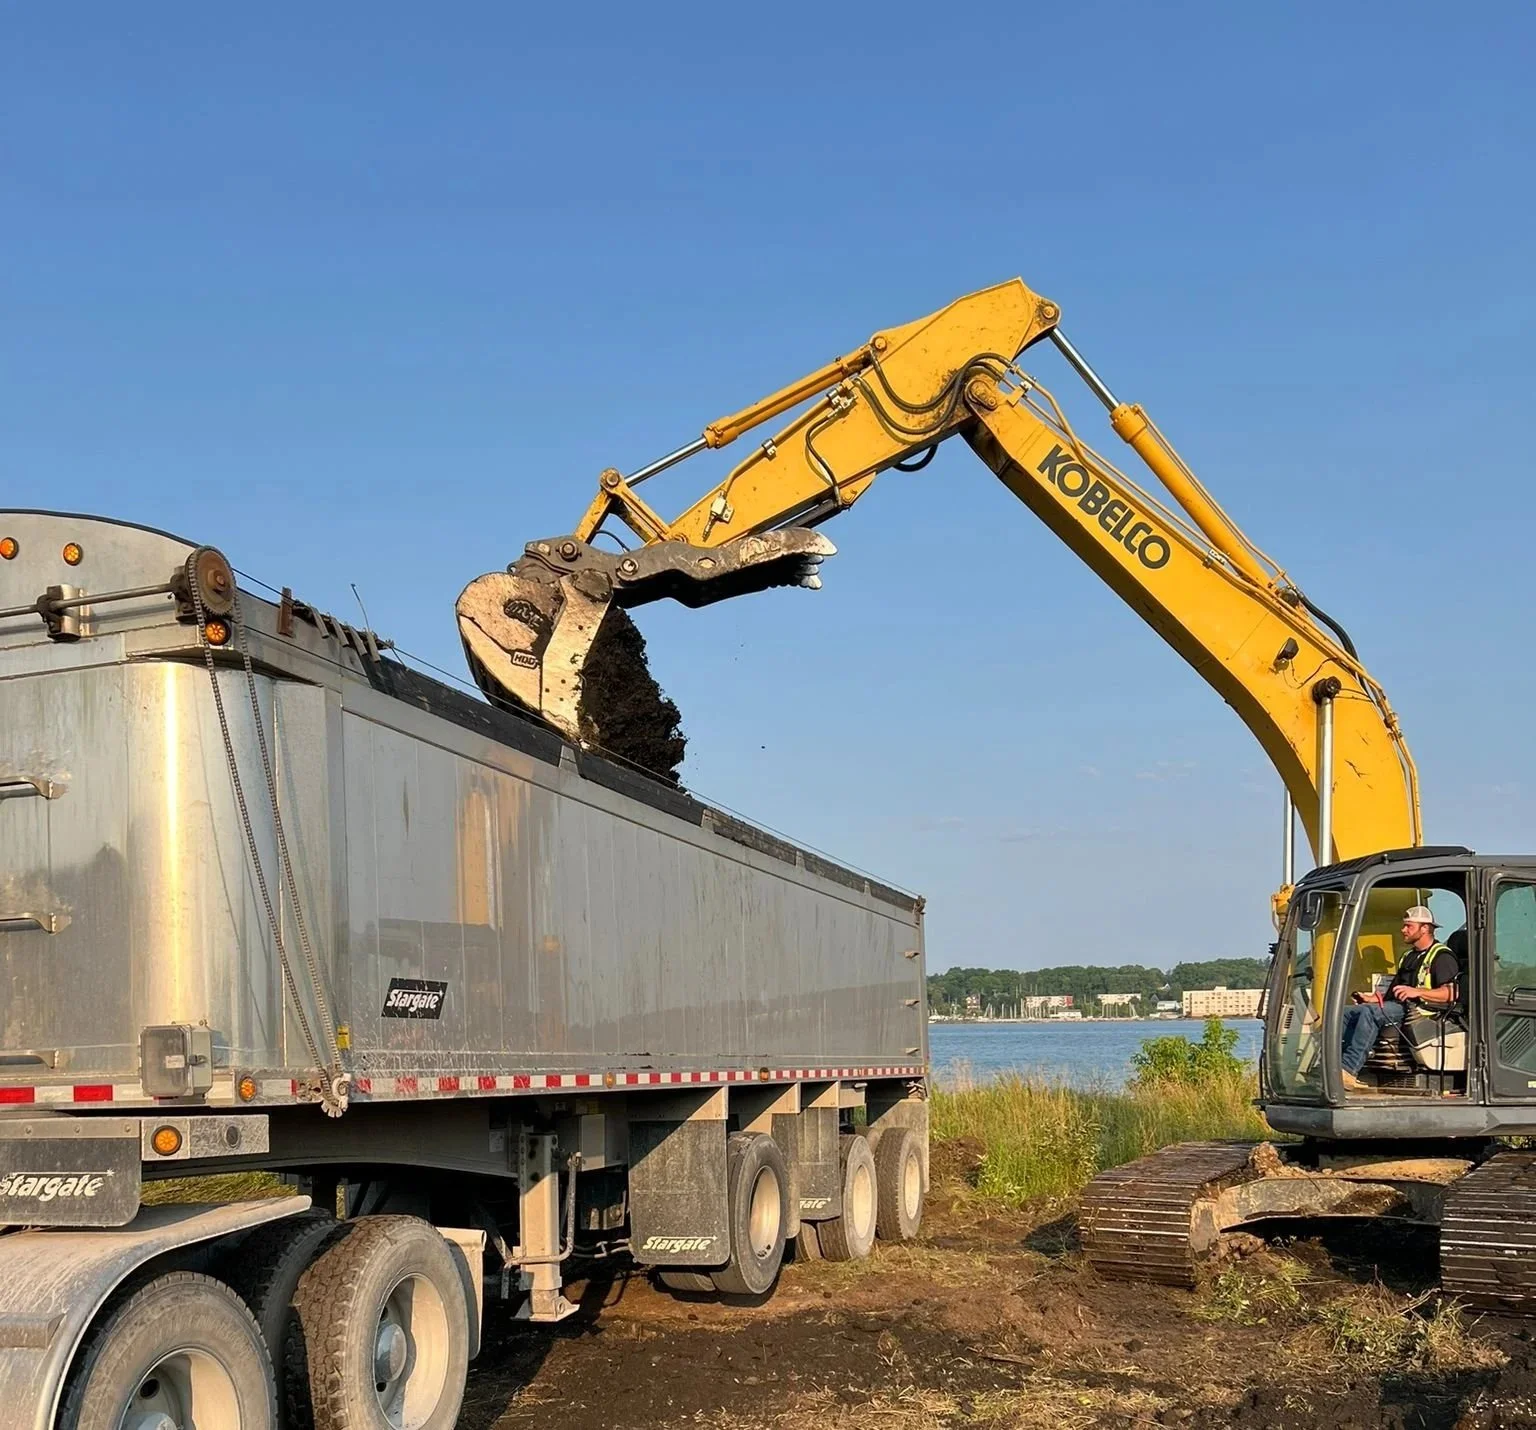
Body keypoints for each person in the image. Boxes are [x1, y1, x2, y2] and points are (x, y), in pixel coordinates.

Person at [1340, 905, 1459, 1091]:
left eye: (1408, 926)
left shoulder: (1442, 956)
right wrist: (1370, 998)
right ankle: (1335, 1065)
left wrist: (1417, 992)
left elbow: (1451, 993)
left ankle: (1349, 1069)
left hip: (1422, 1011)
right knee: (1346, 1013)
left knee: (1371, 1013)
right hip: (1399, 1007)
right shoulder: (1408, 956)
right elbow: (1391, 993)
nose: (1403, 930)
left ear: (1425, 928)